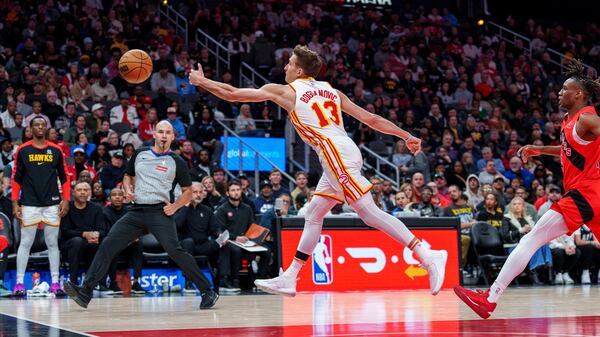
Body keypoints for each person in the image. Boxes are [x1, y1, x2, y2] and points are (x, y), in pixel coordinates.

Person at [190, 45, 447, 297]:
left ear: (300, 71)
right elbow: (371, 119)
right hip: (342, 150)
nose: (285, 66)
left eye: (289, 63)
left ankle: (426, 253)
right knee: (314, 213)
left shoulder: (287, 92)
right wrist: (405, 135)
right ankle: (290, 277)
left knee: (369, 212)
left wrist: (202, 82)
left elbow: (233, 93)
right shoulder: (331, 91)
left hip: (334, 153)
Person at [454, 59, 600, 319]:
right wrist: (540, 149)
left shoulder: (587, 117)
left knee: (531, 239)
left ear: (578, 93)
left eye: (565, 88)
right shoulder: (570, 120)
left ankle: (490, 297)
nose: (559, 92)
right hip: (590, 195)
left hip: (587, 193)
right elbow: (569, 151)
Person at [64, 121, 219, 310]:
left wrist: (176, 206)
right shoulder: (140, 154)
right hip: (136, 211)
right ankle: (86, 291)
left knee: (175, 251)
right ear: (154, 134)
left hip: (160, 212)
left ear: (172, 137)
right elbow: (127, 176)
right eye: (160, 131)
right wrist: (128, 189)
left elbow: (187, 191)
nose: (163, 135)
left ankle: (207, 290)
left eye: (167, 133)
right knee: (108, 244)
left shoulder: (176, 161)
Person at [12, 116, 70, 296]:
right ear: (30, 128)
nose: (39, 127)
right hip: (29, 203)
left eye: (42, 125)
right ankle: (20, 283)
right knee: (26, 242)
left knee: (52, 242)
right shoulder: (22, 150)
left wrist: (66, 200)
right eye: (36, 125)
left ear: (46, 128)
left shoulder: (56, 150)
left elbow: (65, 177)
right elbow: (16, 179)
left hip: (52, 203)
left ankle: (55, 282)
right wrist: (15, 203)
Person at [60, 182, 106, 285]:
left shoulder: (96, 208)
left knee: (101, 242)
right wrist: (83, 234)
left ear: (89, 192)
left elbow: (103, 230)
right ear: (73, 193)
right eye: (79, 190)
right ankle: (73, 282)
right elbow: (65, 231)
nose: (82, 193)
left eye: (85, 190)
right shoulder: (67, 208)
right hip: (69, 244)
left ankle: (97, 283)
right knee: (77, 241)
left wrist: (96, 235)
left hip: (89, 242)